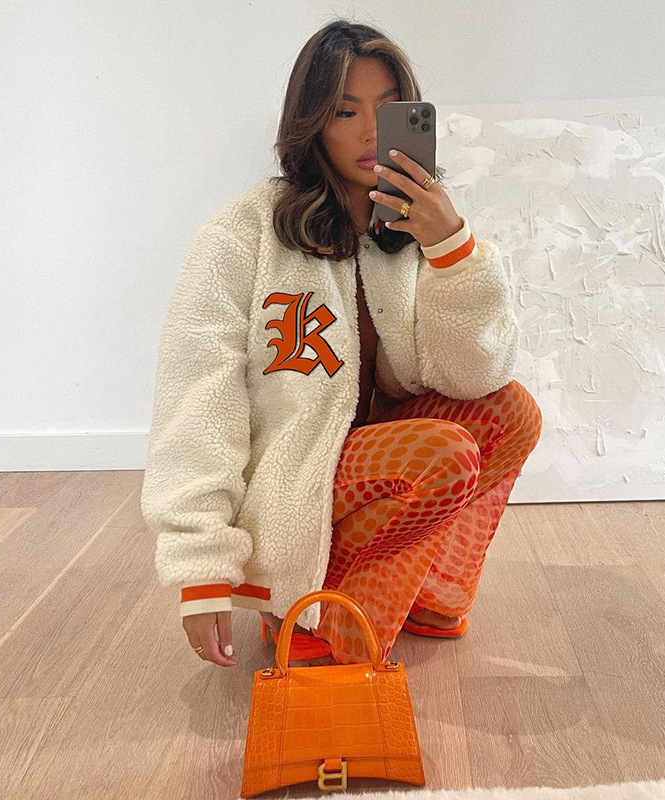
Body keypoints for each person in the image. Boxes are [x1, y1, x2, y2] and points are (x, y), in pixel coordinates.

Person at [140, 19, 542, 670]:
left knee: (512, 412)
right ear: (311, 124)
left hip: (381, 458)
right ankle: (316, 615)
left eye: (389, 110)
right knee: (439, 454)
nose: (369, 132)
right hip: (294, 482)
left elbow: (474, 378)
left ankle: (422, 594)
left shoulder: (417, 227)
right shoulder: (244, 233)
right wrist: (200, 563)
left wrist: (452, 248)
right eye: (344, 111)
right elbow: (199, 397)